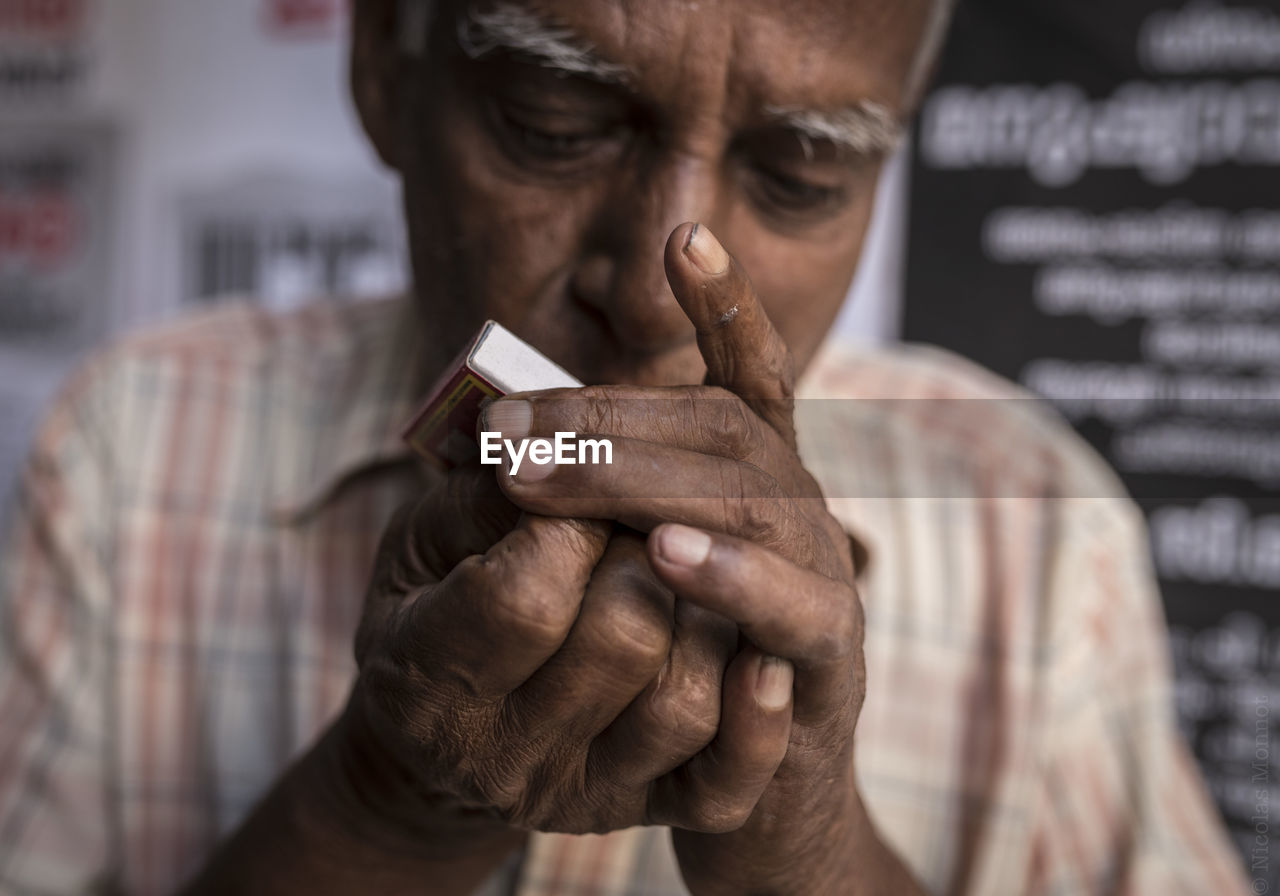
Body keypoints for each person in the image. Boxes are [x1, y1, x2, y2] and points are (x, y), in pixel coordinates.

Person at [0, 0, 1248, 894]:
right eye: (553, 125)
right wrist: (383, 811)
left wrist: (803, 856)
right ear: (387, 64)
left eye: (802, 177)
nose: (655, 294)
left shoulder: (1026, 518)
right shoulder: (140, 444)